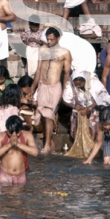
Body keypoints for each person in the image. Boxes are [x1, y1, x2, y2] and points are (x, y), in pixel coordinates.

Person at [31, 27, 72, 155]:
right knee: (43, 115)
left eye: (51, 39)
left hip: (55, 86)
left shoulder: (65, 52)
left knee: (49, 116)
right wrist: (33, 87)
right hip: (43, 85)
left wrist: (64, 90)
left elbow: (66, 74)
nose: (49, 42)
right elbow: (38, 70)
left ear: (58, 38)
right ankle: (50, 142)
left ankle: (47, 145)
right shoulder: (42, 50)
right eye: (47, 39)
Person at [63, 70, 110, 151]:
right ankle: (78, 147)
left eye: (80, 85)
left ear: (84, 81)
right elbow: (65, 100)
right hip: (78, 107)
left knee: (92, 129)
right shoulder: (70, 82)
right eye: (77, 85)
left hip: (93, 106)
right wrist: (74, 106)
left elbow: (102, 97)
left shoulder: (93, 81)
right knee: (76, 127)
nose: (78, 87)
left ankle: (90, 148)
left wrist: (90, 108)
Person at [0, 115, 38, 186]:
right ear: (7, 129)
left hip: (21, 175)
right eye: (10, 133)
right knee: (6, 196)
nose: (14, 136)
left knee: (20, 196)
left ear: (21, 129)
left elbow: (35, 152)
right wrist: (9, 144)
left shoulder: (27, 135)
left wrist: (18, 144)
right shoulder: (1, 136)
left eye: (17, 133)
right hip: (5, 176)